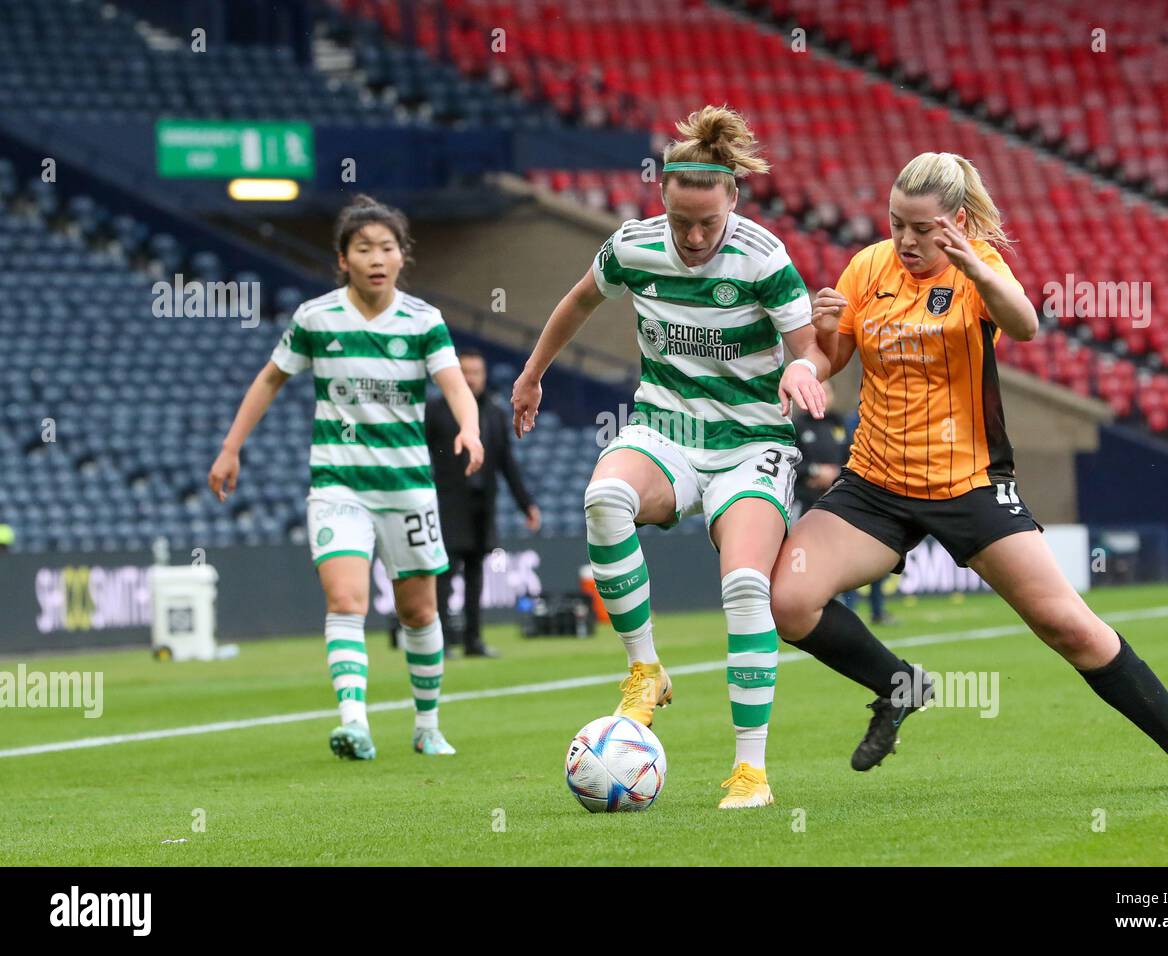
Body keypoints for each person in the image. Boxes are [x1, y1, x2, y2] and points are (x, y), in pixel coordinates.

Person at [769, 152, 1168, 790]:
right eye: (895, 224)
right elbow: (830, 362)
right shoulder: (867, 268)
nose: (906, 241)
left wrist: (974, 266)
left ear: (956, 222)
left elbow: (1023, 325)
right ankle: (898, 685)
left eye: (922, 228)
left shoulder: (980, 269)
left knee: (1066, 624)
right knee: (790, 601)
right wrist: (816, 350)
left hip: (969, 484)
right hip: (875, 483)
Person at [511, 105, 829, 808]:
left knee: (747, 586)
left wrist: (803, 369)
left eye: (707, 224)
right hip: (666, 431)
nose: (692, 237)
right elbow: (576, 301)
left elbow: (811, 347)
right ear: (662, 199)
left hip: (751, 444)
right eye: (681, 221)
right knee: (603, 498)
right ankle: (644, 669)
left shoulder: (763, 257)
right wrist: (533, 373)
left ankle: (751, 772)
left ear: (732, 202)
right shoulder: (633, 246)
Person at [208, 195, 483, 761]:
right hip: (338, 486)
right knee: (345, 600)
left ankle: (427, 724)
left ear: (402, 257)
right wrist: (231, 447)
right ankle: (354, 722)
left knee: (419, 611)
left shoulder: (423, 321)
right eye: (364, 248)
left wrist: (470, 428)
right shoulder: (316, 318)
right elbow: (268, 380)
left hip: (405, 486)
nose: (376, 258)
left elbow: (455, 382)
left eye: (386, 247)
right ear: (343, 259)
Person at [426, 348, 541, 657]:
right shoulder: (435, 410)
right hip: (447, 505)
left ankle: (472, 640)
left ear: (484, 375)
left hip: (482, 505)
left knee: (476, 575)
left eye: (475, 372)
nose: (470, 378)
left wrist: (526, 504)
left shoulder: (494, 412)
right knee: (444, 575)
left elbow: (506, 462)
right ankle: (441, 641)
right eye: (464, 371)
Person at [793, 380, 897, 625]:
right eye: (815, 390)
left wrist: (836, 473)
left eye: (826, 391)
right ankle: (820, 606)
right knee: (814, 561)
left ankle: (875, 610)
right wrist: (815, 471)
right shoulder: (796, 426)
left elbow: (854, 459)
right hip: (807, 505)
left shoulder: (838, 424)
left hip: (841, 502)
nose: (822, 396)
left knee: (852, 557)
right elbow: (790, 464)